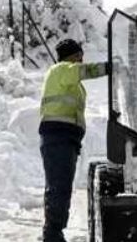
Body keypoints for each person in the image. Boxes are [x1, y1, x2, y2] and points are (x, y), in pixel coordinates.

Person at [39, 38, 105, 242]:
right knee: (60, 186)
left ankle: (53, 231)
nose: (82, 59)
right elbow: (86, 71)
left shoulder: (63, 76)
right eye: (79, 55)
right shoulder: (62, 69)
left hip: (63, 138)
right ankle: (52, 234)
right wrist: (110, 67)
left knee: (59, 185)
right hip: (59, 137)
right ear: (73, 56)